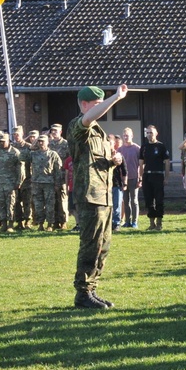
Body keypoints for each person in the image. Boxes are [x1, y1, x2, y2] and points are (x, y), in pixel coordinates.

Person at [67, 85, 129, 310]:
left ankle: (92, 289)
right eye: (96, 104)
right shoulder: (77, 125)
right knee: (90, 244)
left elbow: (97, 162)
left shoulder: (100, 133)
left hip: (104, 195)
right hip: (89, 195)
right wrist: (115, 97)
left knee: (103, 246)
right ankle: (82, 293)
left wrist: (114, 161)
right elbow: (89, 118)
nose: (101, 108)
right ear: (84, 105)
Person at [25, 134, 62, 231]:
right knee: (38, 205)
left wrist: (58, 184)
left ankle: (50, 224)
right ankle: (40, 224)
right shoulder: (33, 154)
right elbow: (22, 157)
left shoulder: (53, 154)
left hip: (49, 183)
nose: (41, 143)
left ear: (48, 142)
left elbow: (58, 170)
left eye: (43, 141)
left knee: (50, 204)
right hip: (36, 183)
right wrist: (31, 147)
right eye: (39, 141)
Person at [0, 132, 24, 233]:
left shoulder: (15, 152)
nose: (1, 143)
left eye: (3, 141)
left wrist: (19, 181)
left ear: (8, 141)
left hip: (11, 182)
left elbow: (20, 169)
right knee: (0, 203)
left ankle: (10, 224)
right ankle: (3, 223)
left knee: (10, 204)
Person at [138, 125, 170, 231]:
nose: (149, 135)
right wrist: (141, 177)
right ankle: (152, 223)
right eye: (147, 133)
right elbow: (141, 163)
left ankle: (159, 223)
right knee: (148, 199)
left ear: (156, 133)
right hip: (147, 175)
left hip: (158, 175)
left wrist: (166, 177)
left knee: (159, 199)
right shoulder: (144, 147)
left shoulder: (161, 146)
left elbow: (167, 162)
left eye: (151, 132)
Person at [118, 127, 141, 228]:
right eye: (124, 136)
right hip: (123, 179)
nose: (126, 137)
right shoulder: (120, 150)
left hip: (134, 177)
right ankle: (127, 221)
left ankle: (135, 221)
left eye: (127, 135)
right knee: (125, 201)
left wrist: (140, 178)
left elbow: (141, 165)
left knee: (134, 200)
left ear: (132, 136)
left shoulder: (137, 149)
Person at [111, 135, 128, 231]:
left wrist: (125, 183)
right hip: (105, 186)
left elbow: (124, 171)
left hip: (116, 184)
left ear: (114, 144)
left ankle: (116, 223)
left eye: (110, 143)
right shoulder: (103, 156)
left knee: (117, 205)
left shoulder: (119, 156)